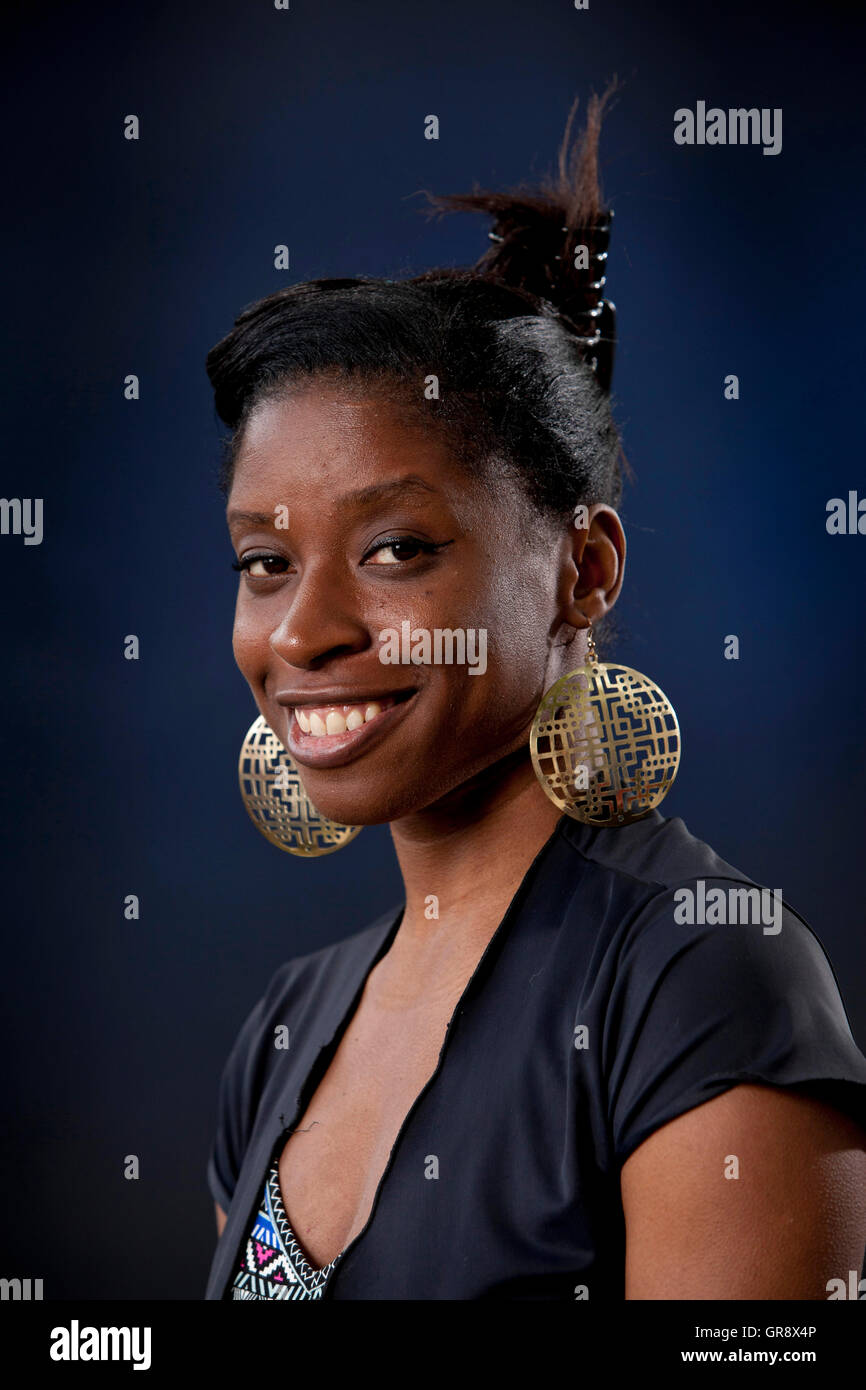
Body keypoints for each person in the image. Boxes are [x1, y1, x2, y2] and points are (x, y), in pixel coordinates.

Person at [202, 91, 866, 1300]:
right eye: (264, 562)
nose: (302, 629)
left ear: (582, 568)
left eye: (396, 548)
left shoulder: (704, 982)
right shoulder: (285, 1026)